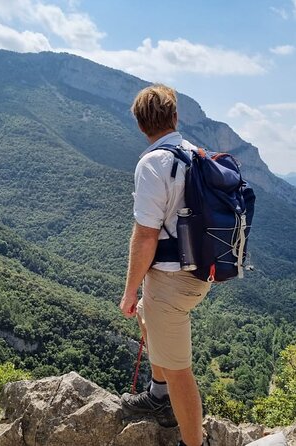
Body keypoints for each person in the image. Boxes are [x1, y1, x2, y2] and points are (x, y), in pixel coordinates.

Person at [119, 84, 211, 446]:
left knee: (179, 372)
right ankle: (158, 395)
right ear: (175, 117)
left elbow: (145, 238)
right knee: (146, 312)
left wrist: (128, 291)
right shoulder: (194, 154)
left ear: (141, 126)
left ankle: (195, 442)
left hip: (172, 280)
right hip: (200, 271)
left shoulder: (153, 163)